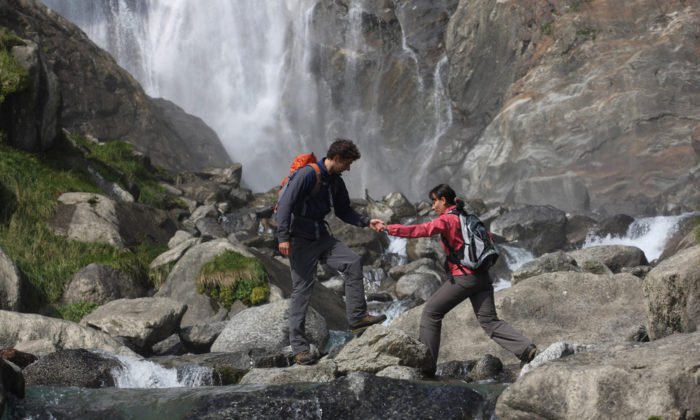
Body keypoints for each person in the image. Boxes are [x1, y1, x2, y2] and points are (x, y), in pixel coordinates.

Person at [383, 184, 536, 375]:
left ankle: (426, 368)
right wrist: (506, 239)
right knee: (489, 321)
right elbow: (488, 237)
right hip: (483, 277)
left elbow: (421, 230)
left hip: (464, 277)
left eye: (434, 201)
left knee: (431, 312)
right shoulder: (467, 217)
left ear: (443, 200)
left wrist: (389, 228)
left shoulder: (447, 219)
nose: (432, 206)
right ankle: (527, 349)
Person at [276, 138, 387, 365]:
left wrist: (367, 221)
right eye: (347, 163)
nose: (349, 168)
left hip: (321, 237)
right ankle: (299, 349)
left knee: (353, 261)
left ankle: (357, 318)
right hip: (299, 240)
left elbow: (344, 211)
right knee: (303, 290)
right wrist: (283, 237)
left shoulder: (335, 181)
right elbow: (286, 203)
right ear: (336, 158)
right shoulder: (308, 174)